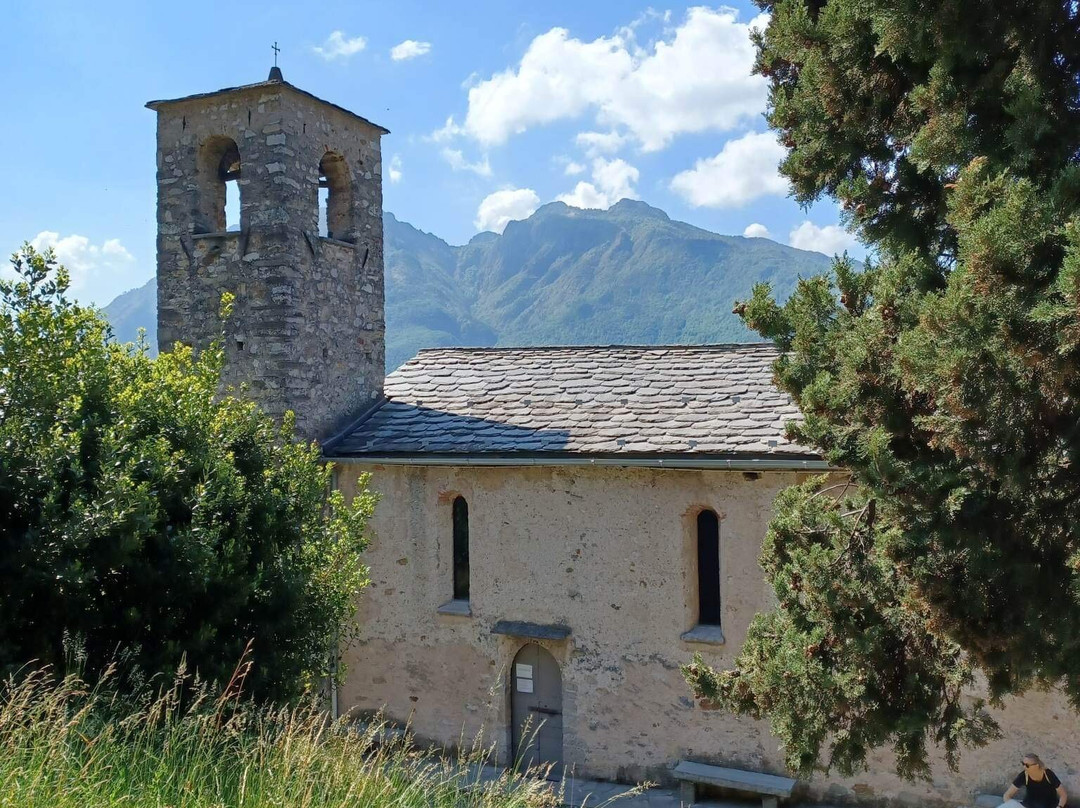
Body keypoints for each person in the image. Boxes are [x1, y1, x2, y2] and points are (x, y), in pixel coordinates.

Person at [1002, 754, 1068, 808]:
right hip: (1028, 805)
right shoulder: (1024, 775)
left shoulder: (1048, 774)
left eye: (1027, 765)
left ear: (1036, 765)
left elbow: (1063, 795)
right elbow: (1007, 795)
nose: (1024, 767)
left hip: (1049, 805)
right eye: (1023, 764)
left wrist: (1059, 807)